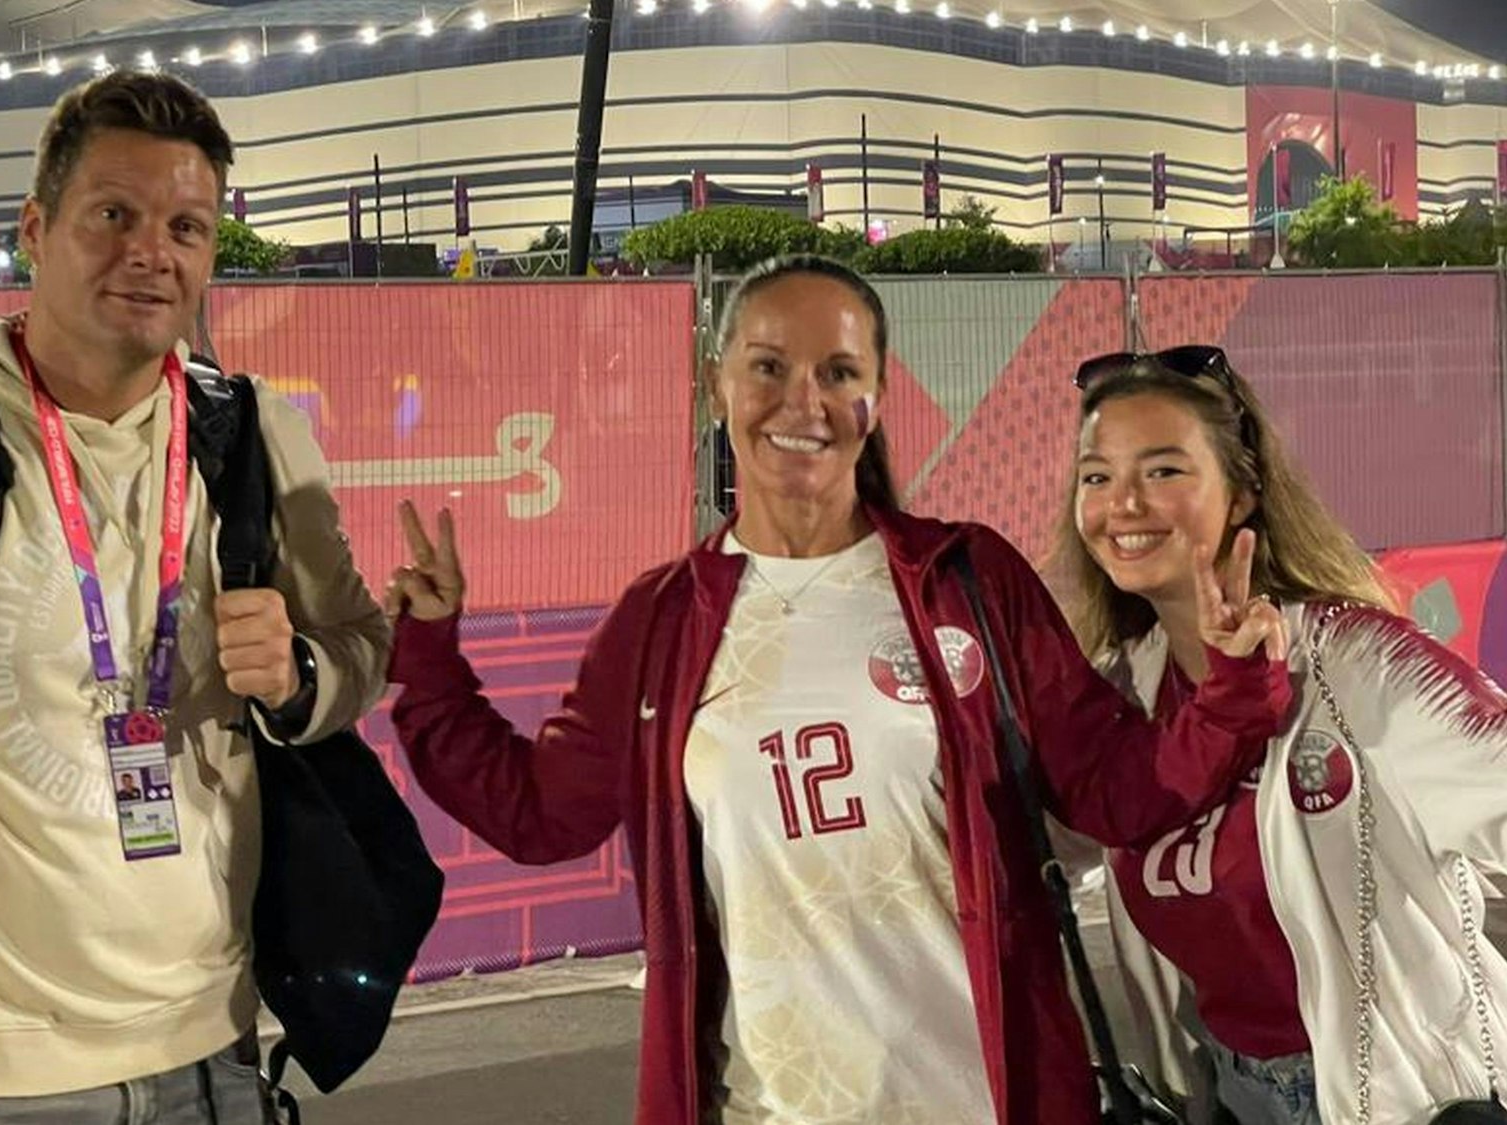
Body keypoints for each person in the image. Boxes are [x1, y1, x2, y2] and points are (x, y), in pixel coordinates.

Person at [380, 253, 1291, 1125]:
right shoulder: (660, 622)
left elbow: (1118, 789)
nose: (803, 401)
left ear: (877, 396)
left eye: (838, 371)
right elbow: (538, 812)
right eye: (768, 366)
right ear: (715, 383)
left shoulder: (967, 580)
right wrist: (427, 654)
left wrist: (1232, 688)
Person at [0, 71, 389, 1125]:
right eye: (113, 214)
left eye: (186, 226)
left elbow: (359, 648)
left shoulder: (252, 439)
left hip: (216, 1059)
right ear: (36, 229)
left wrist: (298, 677)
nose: (151, 251)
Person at [1057, 346, 1507, 1124]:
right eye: (1096, 476)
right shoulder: (1118, 692)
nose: (1125, 504)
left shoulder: (1355, 664)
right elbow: (1021, 847)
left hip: (1406, 1097)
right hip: (1231, 1093)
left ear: (1242, 493)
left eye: (1164, 470)